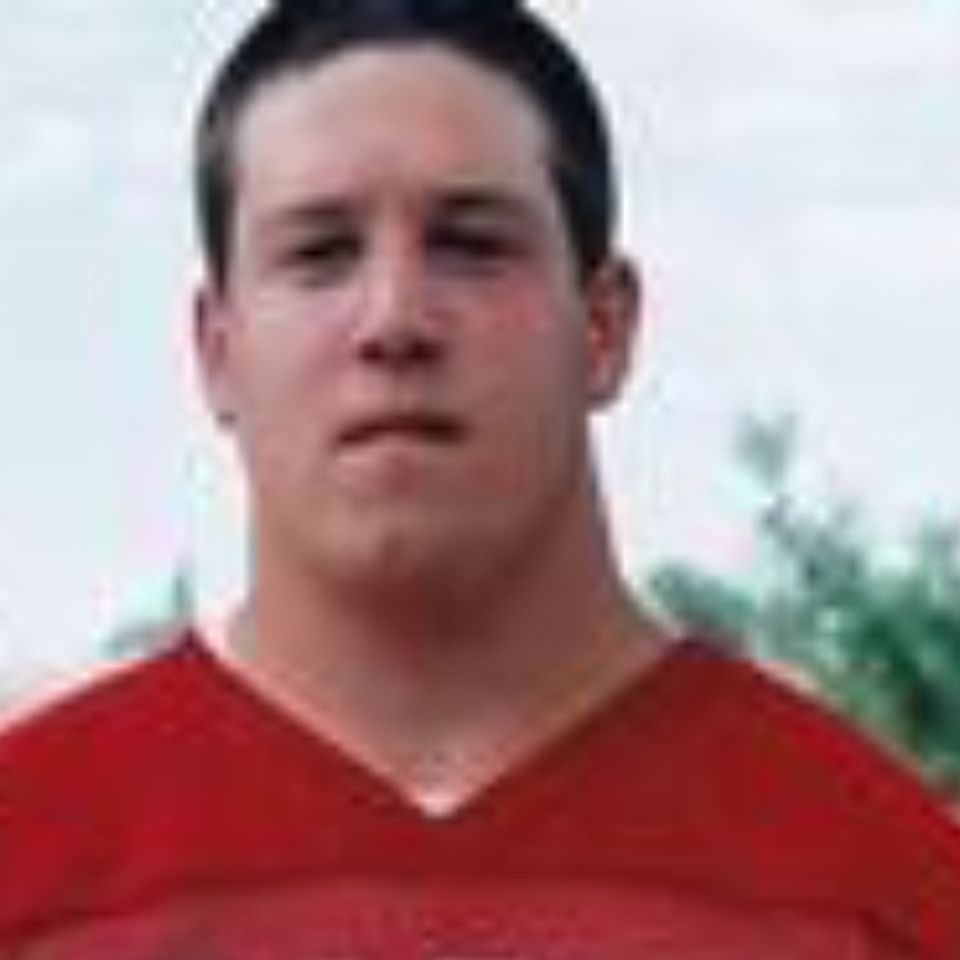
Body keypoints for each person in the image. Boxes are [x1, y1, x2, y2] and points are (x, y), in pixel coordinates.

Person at [2, 1, 959, 956]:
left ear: (606, 327)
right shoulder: (28, 863)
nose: (394, 320)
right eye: (320, 254)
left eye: (471, 245)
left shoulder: (885, 893)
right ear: (216, 350)